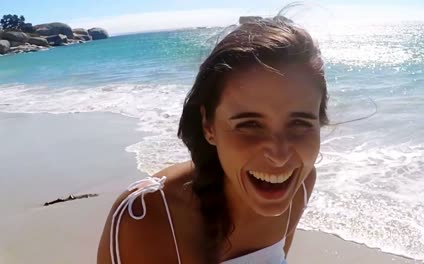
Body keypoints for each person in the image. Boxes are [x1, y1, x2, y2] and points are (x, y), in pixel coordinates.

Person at [97, 14, 329, 264]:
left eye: (299, 123)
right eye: (249, 124)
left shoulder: (299, 185)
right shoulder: (148, 217)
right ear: (208, 125)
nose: (279, 154)